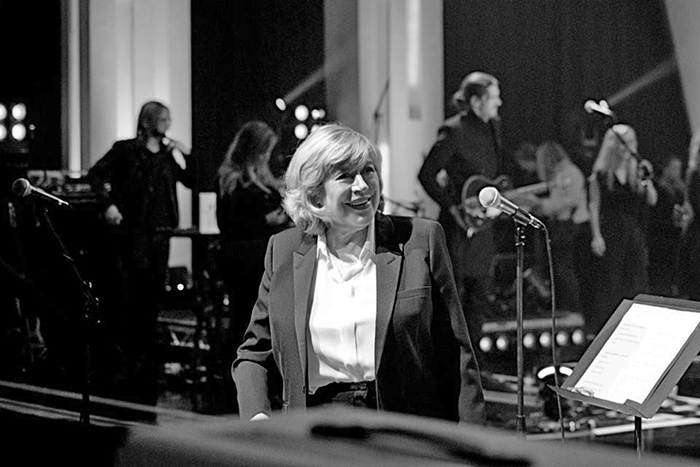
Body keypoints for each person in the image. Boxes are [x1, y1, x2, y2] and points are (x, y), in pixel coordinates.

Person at [232, 123, 485, 425]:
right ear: (315, 195)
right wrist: (257, 416)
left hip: (402, 429)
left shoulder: (420, 239)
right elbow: (254, 353)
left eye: (368, 171)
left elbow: (457, 353)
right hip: (313, 429)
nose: (363, 186)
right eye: (345, 176)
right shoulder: (283, 250)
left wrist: (472, 439)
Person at [88, 100, 195, 405]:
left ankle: (147, 359)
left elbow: (190, 179)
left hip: (160, 232)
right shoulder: (126, 150)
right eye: (163, 119)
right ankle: (127, 361)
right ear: (149, 121)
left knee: (153, 295)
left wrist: (185, 153)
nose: (167, 124)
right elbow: (96, 174)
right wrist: (108, 205)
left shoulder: (166, 155)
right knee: (132, 294)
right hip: (133, 232)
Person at [418, 71, 517, 347]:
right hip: (458, 230)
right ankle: (452, 362)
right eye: (493, 98)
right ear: (476, 101)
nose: (499, 103)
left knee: (479, 297)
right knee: (454, 297)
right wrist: (452, 207)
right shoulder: (453, 130)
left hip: (483, 229)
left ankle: (475, 362)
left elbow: (493, 173)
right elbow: (427, 174)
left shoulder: (493, 128)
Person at [216, 120, 292, 350]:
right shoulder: (232, 180)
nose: (267, 156)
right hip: (243, 257)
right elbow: (228, 224)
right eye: (264, 151)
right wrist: (265, 220)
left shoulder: (265, 179)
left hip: (265, 254)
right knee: (244, 313)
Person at [587, 124, 657, 336]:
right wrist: (596, 235)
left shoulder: (637, 170)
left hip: (633, 231)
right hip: (611, 231)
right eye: (626, 143)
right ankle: (612, 329)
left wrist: (647, 180)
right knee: (612, 280)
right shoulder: (601, 174)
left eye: (632, 142)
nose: (630, 147)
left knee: (637, 277)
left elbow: (652, 200)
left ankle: (638, 326)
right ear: (614, 146)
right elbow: (594, 205)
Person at [526, 141, 589, 316]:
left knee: (564, 270)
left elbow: (569, 201)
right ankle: (563, 308)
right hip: (561, 225)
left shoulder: (570, 173)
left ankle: (572, 310)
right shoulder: (561, 174)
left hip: (569, 226)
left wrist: (541, 205)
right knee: (558, 269)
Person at [647, 155, 686, 297]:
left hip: (675, 238)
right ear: (665, 169)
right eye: (674, 168)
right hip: (660, 238)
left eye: (679, 169)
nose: (677, 172)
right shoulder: (659, 189)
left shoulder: (680, 190)